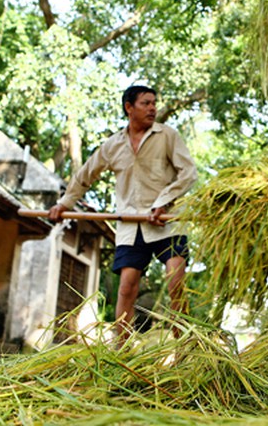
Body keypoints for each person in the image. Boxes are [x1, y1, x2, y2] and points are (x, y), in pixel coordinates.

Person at [48, 85, 198, 345]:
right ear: (129, 107)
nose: (153, 108)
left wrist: (162, 202)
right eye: (146, 103)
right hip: (131, 224)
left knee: (176, 284)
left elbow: (188, 174)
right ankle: (123, 352)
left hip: (168, 221)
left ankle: (185, 350)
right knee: (127, 288)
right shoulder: (113, 145)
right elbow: (85, 176)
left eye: (154, 103)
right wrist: (64, 204)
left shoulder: (167, 136)